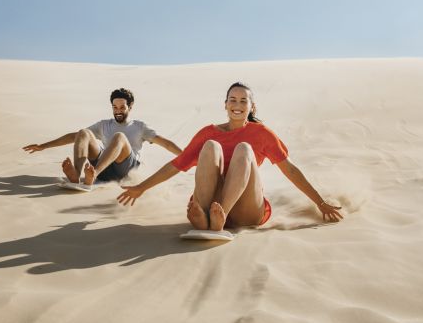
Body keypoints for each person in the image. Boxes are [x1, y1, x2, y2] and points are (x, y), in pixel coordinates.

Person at [117, 82, 343, 230]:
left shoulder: (261, 134)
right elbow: (176, 165)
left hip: (247, 208)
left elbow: (290, 170)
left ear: (251, 107)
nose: (237, 105)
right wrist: (141, 188)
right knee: (210, 146)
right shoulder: (208, 132)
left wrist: (320, 203)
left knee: (243, 149)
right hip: (210, 202)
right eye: (232, 100)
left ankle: (219, 216)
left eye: (243, 101)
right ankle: (206, 215)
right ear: (225, 104)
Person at [23, 88, 182, 185]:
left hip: (125, 169)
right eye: (114, 107)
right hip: (105, 168)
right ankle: (77, 176)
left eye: (122, 107)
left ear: (130, 107)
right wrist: (44, 146)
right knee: (83, 133)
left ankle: (93, 175)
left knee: (119, 137)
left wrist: (187, 157)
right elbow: (75, 137)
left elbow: (166, 144)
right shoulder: (104, 124)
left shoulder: (140, 127)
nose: (117, 110)